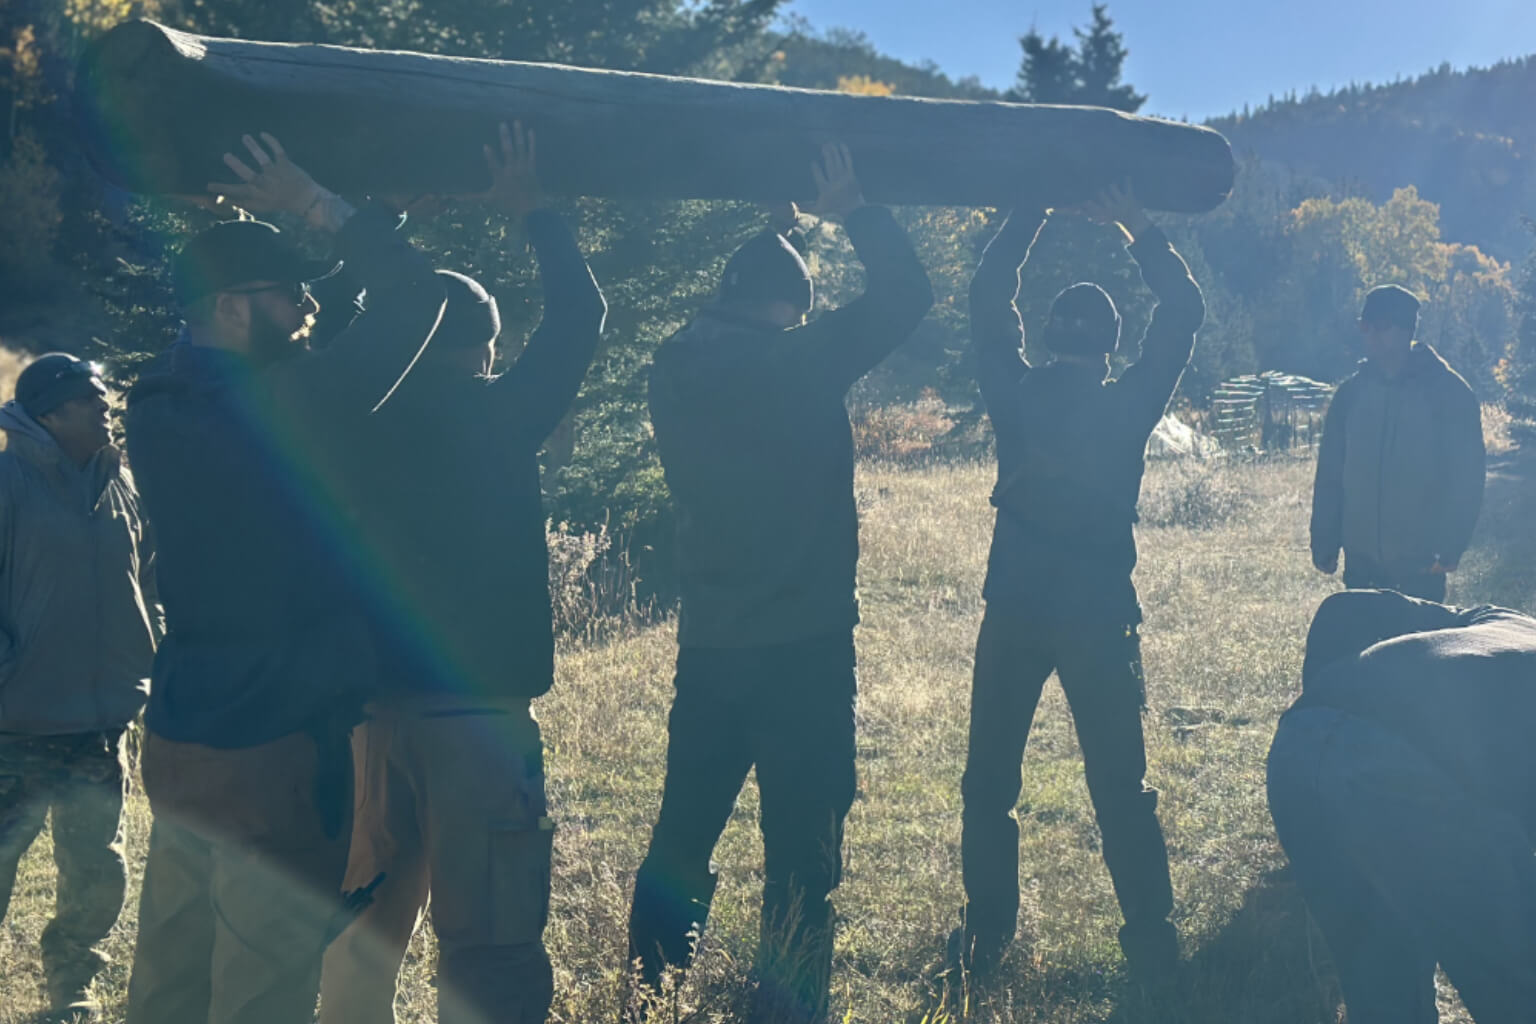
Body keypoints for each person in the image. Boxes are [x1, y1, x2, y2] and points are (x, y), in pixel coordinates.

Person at [122, 132, 446, 1024]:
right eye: (288, 295)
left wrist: (368, 222)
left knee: (169, 978)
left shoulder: (158, 401)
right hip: (275, 747)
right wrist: (316, 206)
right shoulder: (287, 407)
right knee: (263, 990)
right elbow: (418, 301)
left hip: (185, 736)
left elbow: (290, 328)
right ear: (231, 307)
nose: (308, 307)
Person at [627, 143, 933, 1024]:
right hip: (804, 646)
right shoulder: (801, 361)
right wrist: (856, 214)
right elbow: (907, 296)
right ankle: (785, 1010)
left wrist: (771, 236)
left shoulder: (675, 364)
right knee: (802, 849)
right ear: (796, 310)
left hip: (714, 641)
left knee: (683, 831)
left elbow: (718, 313)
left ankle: (651, 995)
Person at [318, 121, 607, 1024]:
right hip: (479, 722)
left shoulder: (346, 414)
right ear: (485, 346)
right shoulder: (503, 415)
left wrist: (376, 219)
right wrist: (535, 212)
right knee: (491, 945)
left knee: (356, 936)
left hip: (367, 716)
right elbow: (580, 319)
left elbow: (327, 320)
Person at [951, 185, 1205, 985]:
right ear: (1108, 347)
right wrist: (1133, 220)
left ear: (1050, 338)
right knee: (1121, 787)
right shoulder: (1127, 405)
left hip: (1014, 608)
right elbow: (1185, 312)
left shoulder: (1012, 394)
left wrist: (1032, 210)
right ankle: (1153, 943)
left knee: (990, 781)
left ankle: (989, 934)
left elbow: (988, 296)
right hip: (1100, 617)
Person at [1268, 588, 1536, 1024]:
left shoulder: (1506, 621)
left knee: (1384, 994)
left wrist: (1334, 711)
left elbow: (1344, 606)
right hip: (1412, 777)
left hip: (1298, 751)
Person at [0, 354, 158, 1021]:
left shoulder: (119, 479)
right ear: (49, 414)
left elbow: (145, 577)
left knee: (97, 875)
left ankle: (72, 993)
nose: (105, 408)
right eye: (91, 400)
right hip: (16, 724)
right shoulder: (6, 482)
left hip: (101, 721)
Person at [1309, 284, 1485, 602]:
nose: (1372, 335)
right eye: (1366, 326)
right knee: (1362, 652)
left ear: (1407, 331)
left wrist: (1451, 545)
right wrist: (1324, 540)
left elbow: (1467, 477)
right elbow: (1331, 474)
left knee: (1416, 652)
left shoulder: (1449, 393)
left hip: (1421, 569)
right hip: (1361, 569)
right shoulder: (1350, 395)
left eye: (1382, 326)